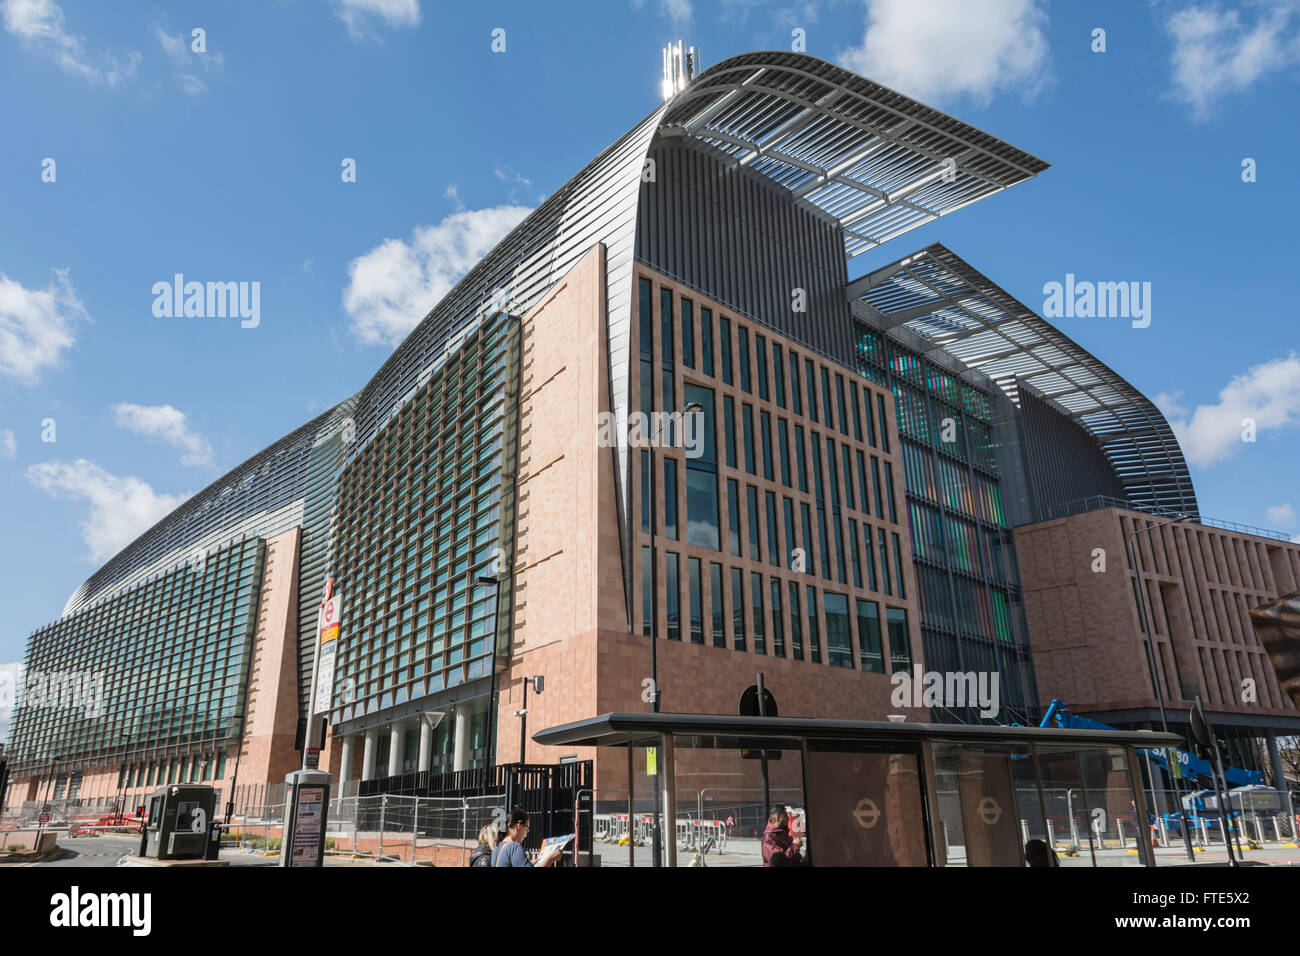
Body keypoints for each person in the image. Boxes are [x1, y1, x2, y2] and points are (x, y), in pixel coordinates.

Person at [492, 809, 559, 867]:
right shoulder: (514, 847)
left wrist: (529, 863)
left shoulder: (497, 847)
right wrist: (550, 859)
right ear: (519, 825)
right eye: (527, 829)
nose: (526, 835)